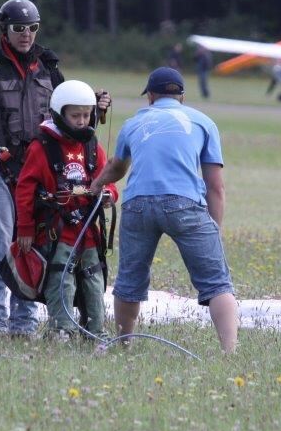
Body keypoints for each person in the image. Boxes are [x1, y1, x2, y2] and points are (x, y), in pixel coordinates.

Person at [0, 0, 111, 337]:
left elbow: (66, 116)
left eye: (33, 28)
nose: (27, 35)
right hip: (1, 172)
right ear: (4, 29)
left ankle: (25, 324)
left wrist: (95, 105)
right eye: (19, 28)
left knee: (35, 249)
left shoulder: (48, 67)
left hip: (43, 173)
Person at [89, 67, 238, 354]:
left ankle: (123, 345)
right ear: (182, 97)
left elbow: (117, 168)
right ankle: (230, 353)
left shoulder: (133, 123)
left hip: (138, 205)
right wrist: (213, 231)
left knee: (130, 281)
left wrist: (96, 185)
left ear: (151, 97)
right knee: (217, 283)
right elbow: (215, 187)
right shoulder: (204, 122)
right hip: (184, 203)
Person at [14, 80, 119, 341]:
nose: (82, 121)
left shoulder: (92, 146)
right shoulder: (42, 147)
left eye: (86, 115)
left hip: (88, 229)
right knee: (62, 275)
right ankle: (62, 329)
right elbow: (24, 189)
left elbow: (108, 178)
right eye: (75, 116)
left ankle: (95, 330)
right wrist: (25, 228)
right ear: (60, 114)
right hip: (57, 229)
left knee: (94, 277)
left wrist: (109, 195)